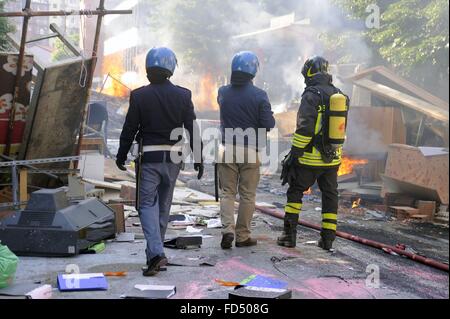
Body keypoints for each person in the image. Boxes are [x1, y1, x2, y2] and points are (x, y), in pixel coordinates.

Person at [116, 47, 203, 276]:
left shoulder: (140, 95)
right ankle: (154, 253)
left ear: (149, 68)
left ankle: (156, 253)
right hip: (173, 160)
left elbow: (129, 128)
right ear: (171, 69)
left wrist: (121, 154)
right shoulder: (183, 95)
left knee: (146, 205)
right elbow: (192, 128)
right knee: (163, 207)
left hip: (149, 159)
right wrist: (199, 158)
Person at [278, 56, 349, 251]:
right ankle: (327, 239)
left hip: (309, 158)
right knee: (330, 196)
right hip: (332, 159)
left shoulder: (311, 95)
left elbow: (305, 129)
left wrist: (294, 154)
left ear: (309, 73)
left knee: (295, 192)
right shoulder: (339, 95)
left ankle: (289, 235)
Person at [217, 51, 275, 249]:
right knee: (248, 195)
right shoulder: (260, 95)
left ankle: (227, 230)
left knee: (227, 192)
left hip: (227, 149)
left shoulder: (223, 92)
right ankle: (242, 236)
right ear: (253, 71)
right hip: (250, 150)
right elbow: (268, 123)